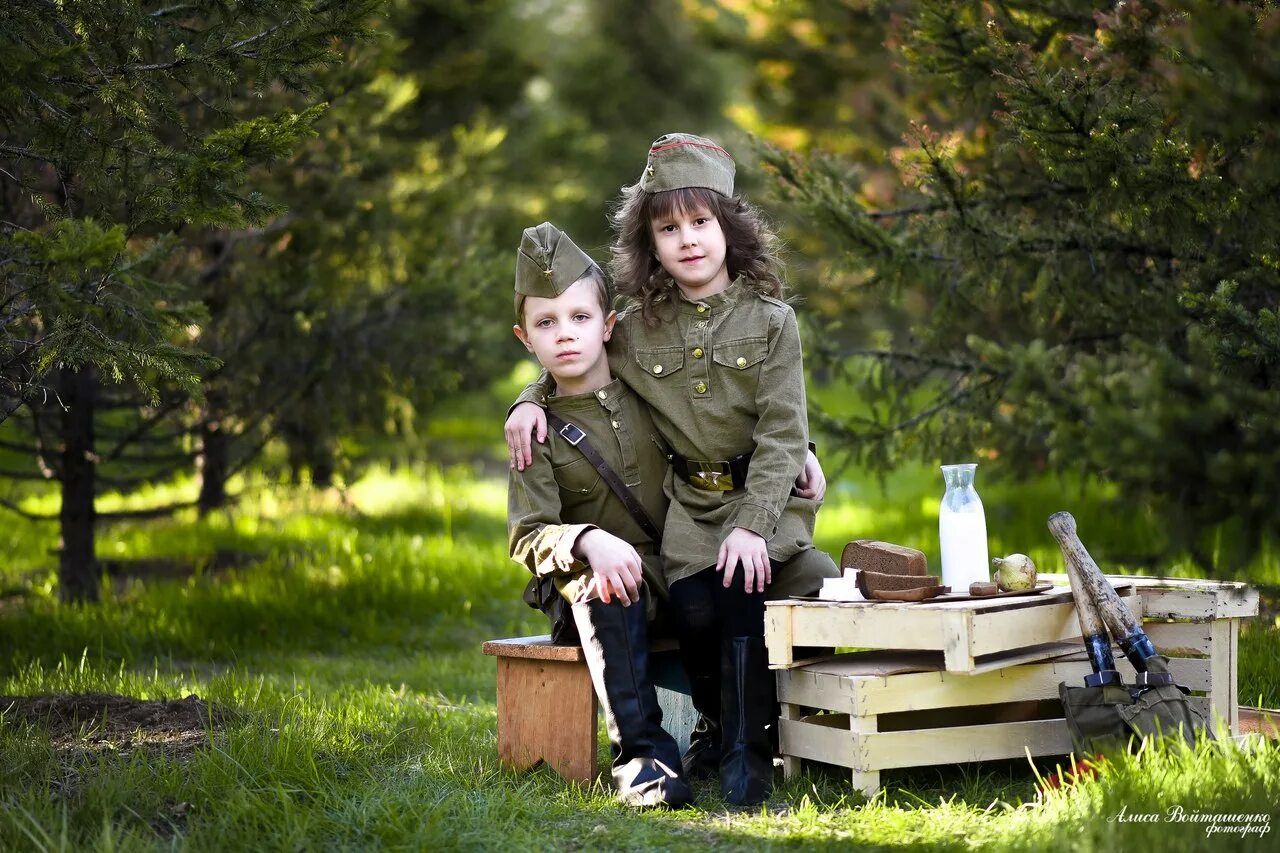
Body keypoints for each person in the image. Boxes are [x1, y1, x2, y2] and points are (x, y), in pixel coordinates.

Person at [505, 134, 839, 805]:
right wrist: (525, 400)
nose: (686, 240)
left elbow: (771, 421)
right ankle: (685, 743)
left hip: (753, 504)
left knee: (793, 585)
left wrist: (800, 454)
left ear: (728, 228)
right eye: (668, 227)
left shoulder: (764, 321)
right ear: (649, 242)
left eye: (700, 222)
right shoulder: (632, 335)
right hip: (676, 528)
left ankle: (761, 740)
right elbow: (572, 355)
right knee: (693, 601)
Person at [506, 221, 693, 809]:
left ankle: (739, 736)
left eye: (580, 318)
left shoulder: (649, 389)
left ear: (608, 325)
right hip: (596, 594)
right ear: (524, 337)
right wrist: (587, 540)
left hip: (677, 569)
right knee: (604, 584)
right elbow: (527, 537)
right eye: (546, 322)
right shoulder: (532, 432)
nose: (565, 334)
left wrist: (800, 456)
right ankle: (645, 757)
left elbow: (724, 421)